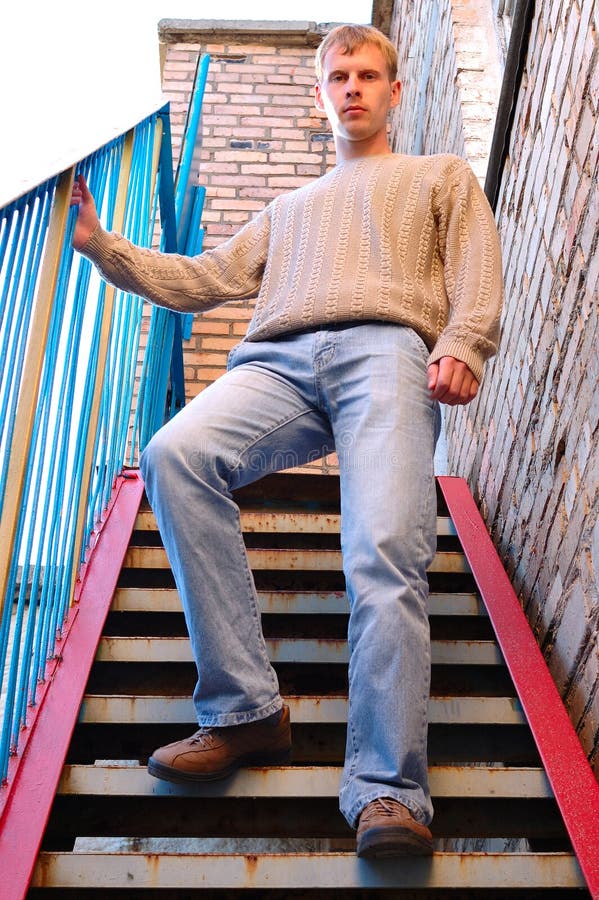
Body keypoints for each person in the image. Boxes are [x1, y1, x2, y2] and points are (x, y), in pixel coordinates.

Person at [71, 24, 503, 857]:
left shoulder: (435, 176)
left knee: (383, 549)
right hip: (275, 361)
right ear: (320, 95)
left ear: (393, 91)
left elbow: (475, 264)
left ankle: (386, 792)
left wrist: (463, 341)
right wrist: (103, 250)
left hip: (387, 350)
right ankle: (245, 711)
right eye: (337, 76)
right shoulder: (286, 209)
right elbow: (206, 279)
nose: (352, 88)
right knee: (175, 453)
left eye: (368, 75)